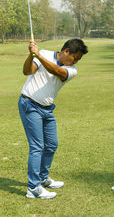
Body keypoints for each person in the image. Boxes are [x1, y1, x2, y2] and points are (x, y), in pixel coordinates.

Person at [18, 38, 88, 199]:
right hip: (29, 104)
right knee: (37, 146)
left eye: (78, 59)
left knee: (51, 144)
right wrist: (31, 55)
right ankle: (33, 188)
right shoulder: (43, 54)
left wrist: (39, 56)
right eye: (75, 58)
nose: (76, 62)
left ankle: (43, 178)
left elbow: (57, 71)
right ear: (66, 51)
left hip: (47, 109)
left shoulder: (71, 70)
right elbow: (27, 71)